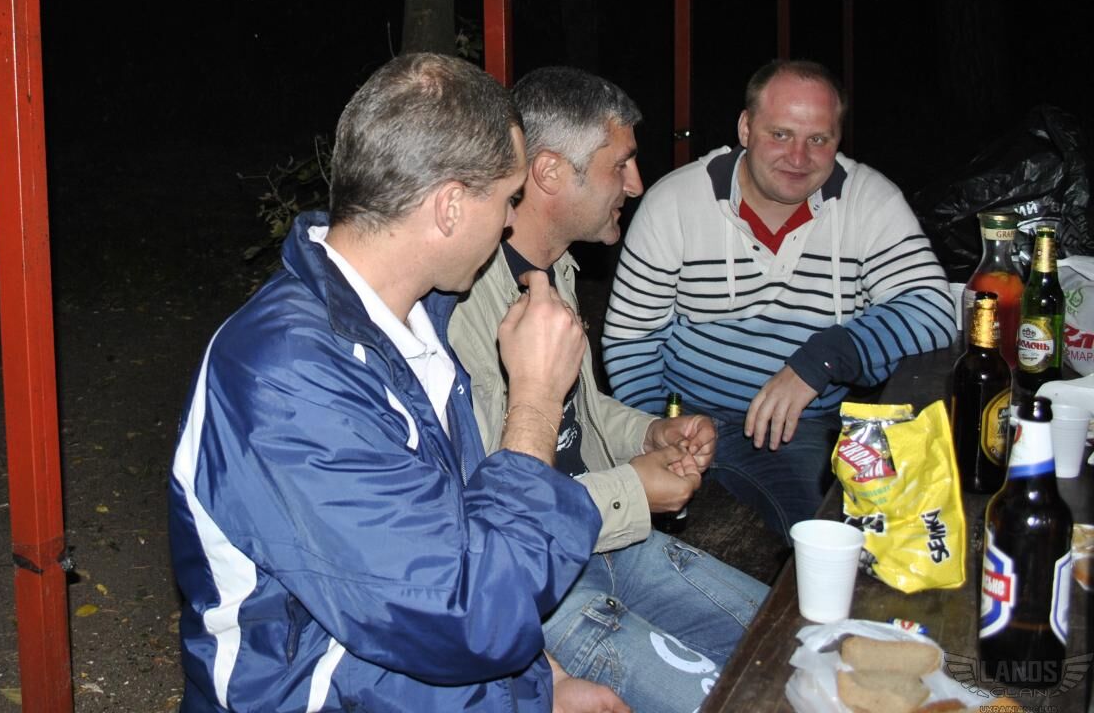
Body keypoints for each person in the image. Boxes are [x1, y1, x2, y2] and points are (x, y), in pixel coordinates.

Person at [169, 53, 628, 713]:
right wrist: (535, 400)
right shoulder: (282, 378)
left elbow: (454, 532)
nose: (510, 223)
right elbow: (468, 615)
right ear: (449, 207)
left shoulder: (415, 321)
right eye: (507, 199)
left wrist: (546, 681)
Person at [449, 66, 766, 713]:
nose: (636, 183)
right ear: (549, 172)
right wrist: (632, 489)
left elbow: (579, 414)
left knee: (795, 639)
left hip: (611, 540)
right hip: (536, 592)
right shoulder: (463, 305)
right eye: (619, 164)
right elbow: (483, 505)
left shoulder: (554, 270)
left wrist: (649, 434)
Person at [601, 59, 954, 536]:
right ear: (746, 128)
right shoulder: (675, 203)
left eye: (818, 139)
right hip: (683, 419)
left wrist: (823, 359)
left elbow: (933, 308)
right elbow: (632, 339)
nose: (798, 157)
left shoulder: (868, 201)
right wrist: (659, 429)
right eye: (781, 134)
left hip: (798, 428)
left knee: (850, 531)